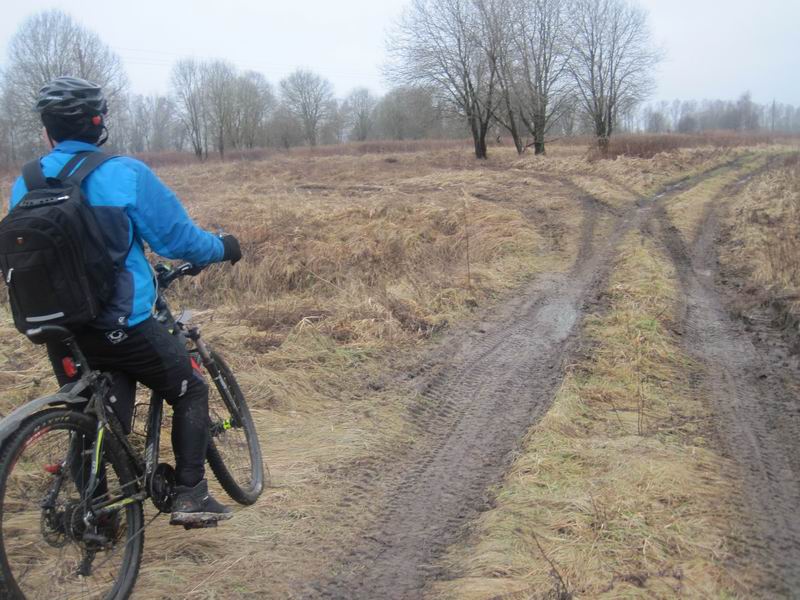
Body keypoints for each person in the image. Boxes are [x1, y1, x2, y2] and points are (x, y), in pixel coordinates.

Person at [8, 76, 241, 526]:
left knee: (93, 412)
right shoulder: (123, 172)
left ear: (47, 130)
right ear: (99, 124)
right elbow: (179, 240)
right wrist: (223, 246)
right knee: (190, 387)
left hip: (60, 329)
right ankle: (191, 495)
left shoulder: (27, 182)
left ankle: (97, 516)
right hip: (122, 326)